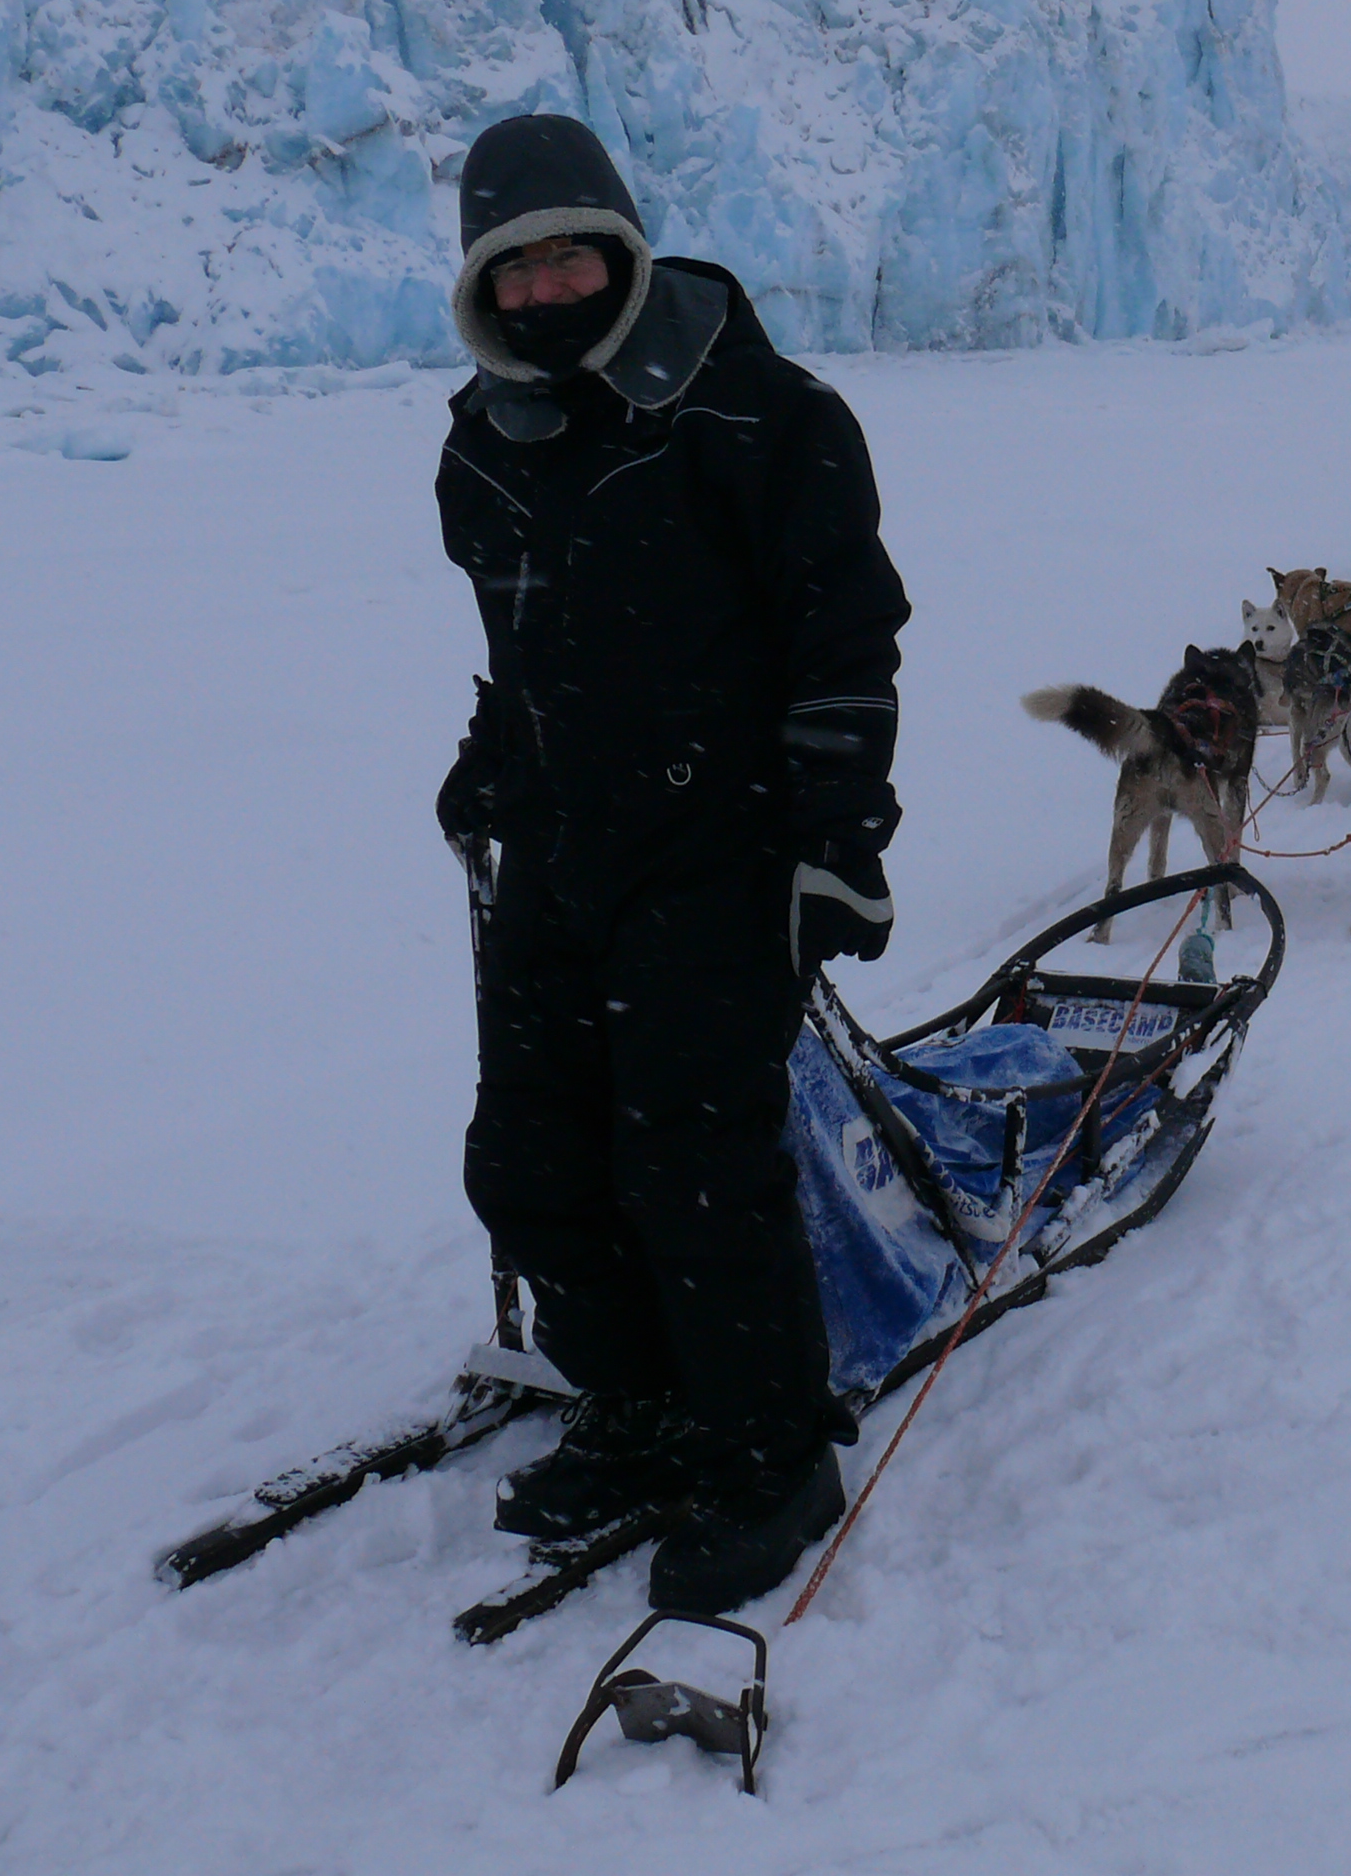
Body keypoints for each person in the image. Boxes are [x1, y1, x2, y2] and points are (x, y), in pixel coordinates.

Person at [432, 112, 910, 1615]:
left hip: (724, 849)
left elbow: (845, 636)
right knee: (529, 1158)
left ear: (623, 248)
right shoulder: (481, 441)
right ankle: (638, 1408)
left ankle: (769, 1456)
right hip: (565, 852)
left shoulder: (765, 414)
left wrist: (838, 840)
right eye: (513, 270)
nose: (544, 290)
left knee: (694, 1167)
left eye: (570, 252)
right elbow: (526, 652)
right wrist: (492, 763)